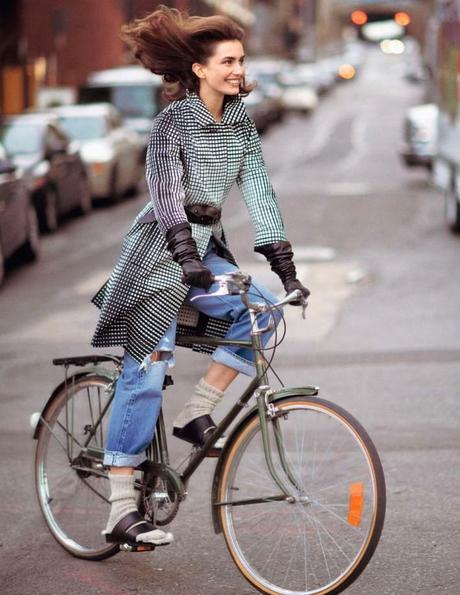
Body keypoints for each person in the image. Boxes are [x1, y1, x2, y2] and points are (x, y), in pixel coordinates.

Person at [91, 6, 310, 548]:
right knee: (148, 367)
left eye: (241, 60)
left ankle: (196, 412)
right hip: (157, 254)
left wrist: (286, 271)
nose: (238, 69)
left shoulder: (239, 125)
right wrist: (187, 255)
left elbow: (260, 193)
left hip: (204, 250)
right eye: (228, 61)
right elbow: (167, 196)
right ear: (200, 69)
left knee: (259, 315)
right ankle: (120, 505)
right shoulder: (172, 123)